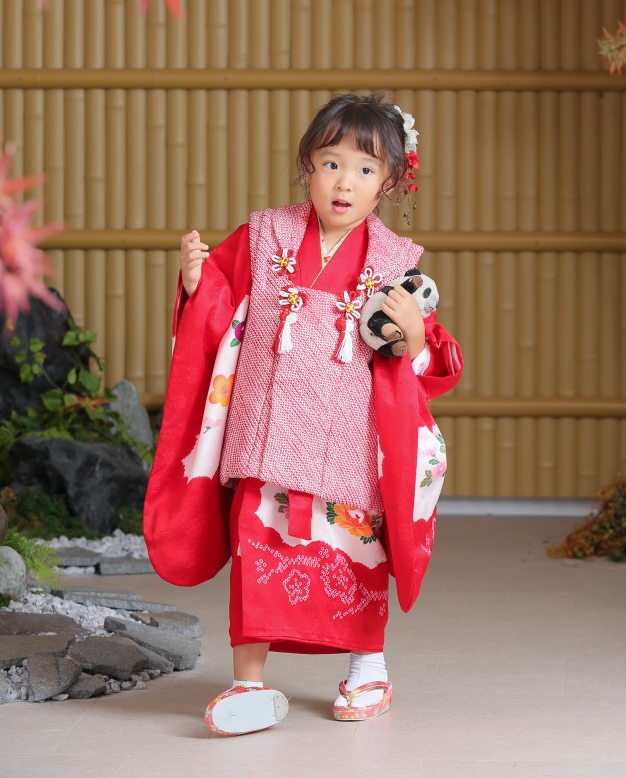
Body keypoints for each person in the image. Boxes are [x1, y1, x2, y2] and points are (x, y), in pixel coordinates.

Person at [143, 92, 462, 737]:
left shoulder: (397, 263)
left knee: (353, 553)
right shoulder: (265, 237)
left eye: (366, 170)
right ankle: (249, 682)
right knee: (259, 552)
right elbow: (216, 310)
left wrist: (416, 339)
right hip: (268, 434)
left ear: (390, 182)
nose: (346, 182)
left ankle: (367, 665)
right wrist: (195, 282)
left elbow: (431, 359)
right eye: (331, 162)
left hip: (348, 442)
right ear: (306, 167)